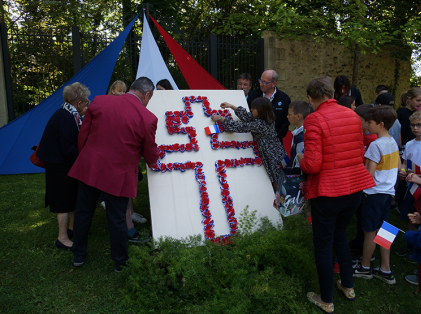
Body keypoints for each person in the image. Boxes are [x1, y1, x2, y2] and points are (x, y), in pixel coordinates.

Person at [296, 77, 375, 313]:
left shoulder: (314, 119)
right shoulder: (352, 115)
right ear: (331, 93)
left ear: (310, 98)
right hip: (354, 188)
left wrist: (300, 159)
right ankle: (348, 286)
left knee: (322, 244)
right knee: (339, 234)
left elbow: (312, 165)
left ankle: (327, 299)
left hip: (329, 191)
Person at [68, 77, 159, 272]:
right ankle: (120, 262)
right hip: (118, 173)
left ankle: (78, 255)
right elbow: (150, 152)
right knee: (117, 218)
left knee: (83, 212)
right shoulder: (148, 118)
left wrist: (86, 157)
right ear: (147, 95)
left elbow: (83, 133)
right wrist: (154, 161)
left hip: (91, 166)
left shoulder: (100, 101)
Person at [36, 82, 90, 249]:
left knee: (71, 197)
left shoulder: (67, 113)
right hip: (59, 165)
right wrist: (86, 156)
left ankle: (72, 229)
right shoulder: (66, 118)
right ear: (78, 103)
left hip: (62, 163)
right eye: (86, 102)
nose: (88, 104)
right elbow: (68, 149)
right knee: (63, 202)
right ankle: (62, 238)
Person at [352, 106, 399, 285]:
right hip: (387, 193)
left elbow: (369, 174)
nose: (367, 125)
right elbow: (397, 164)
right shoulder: (392, 141)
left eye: (369, 122)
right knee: (385, 228)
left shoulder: (375, 145)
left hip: (373, 194)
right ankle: (386, 268)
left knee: (369, 231)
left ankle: (365, 267)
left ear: (380, 124)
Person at [211, 97, 288, 192]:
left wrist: (221, 118)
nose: (251, 110)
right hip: (276, 149)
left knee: (276, 177)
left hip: (272, 153)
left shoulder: (260, 124)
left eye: (253, 108)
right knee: (277, 176)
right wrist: (232, 106)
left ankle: (281, 201)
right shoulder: (265, 117)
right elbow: (247, 116)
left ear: (260, 110)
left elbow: (241, 127)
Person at [348, 104, 378, 254]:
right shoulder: (387, 142)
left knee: (369, 225)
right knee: (381, 223)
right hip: (385, 191)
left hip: (373, 190)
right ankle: (384, 259)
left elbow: (370, 170)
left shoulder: (373, 143)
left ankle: (367, 257)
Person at [396, 111, 421, 261]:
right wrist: (403, 171)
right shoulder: (410, 144)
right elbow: (405, 163)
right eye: (412, 125)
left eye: (419, 125)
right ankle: (411, 244)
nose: (415, 128)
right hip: (410, 186)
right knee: (410, 214)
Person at [247, 69, 291, 142]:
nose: (261, 84)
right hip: (255, 140)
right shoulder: (254, 94)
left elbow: (286, 120)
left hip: (275, 141)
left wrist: (278, 136)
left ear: (273, 84)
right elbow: (248, 113)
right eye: (260, 81)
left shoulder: (284, 98)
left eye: (264, 82)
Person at [286, 100, 312, 167]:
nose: (287, 117)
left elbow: (299, 162)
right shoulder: (296, 131)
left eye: (289, 114)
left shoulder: (302, 137)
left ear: (298, 116)